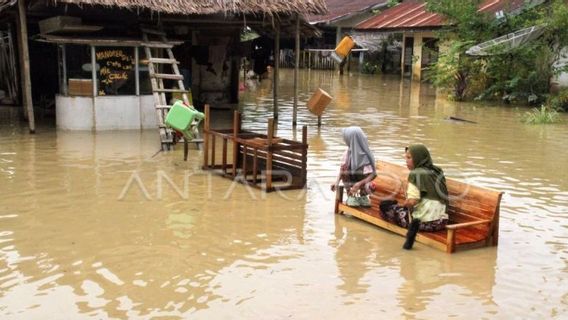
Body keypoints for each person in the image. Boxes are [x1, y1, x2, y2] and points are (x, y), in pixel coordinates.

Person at [379, 144, 449, 249]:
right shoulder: (437, 171)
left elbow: (412, 202)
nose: (406, 161)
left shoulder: (416, 174)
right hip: (441, 222)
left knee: (384, 208)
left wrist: (405, 204)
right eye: (405, 158)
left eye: (409, 158)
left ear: (418, 158)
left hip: (425, 223)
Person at [331, 127, 377, 207]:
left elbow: (373, 174)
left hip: (363, 181)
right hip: (351, 179)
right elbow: (342, 170)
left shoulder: (367, 154)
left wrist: (359, 184)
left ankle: (363, 197)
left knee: (372, 186)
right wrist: (336, 182)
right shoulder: (348, 152)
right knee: (344, 171)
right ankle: (351, 196)